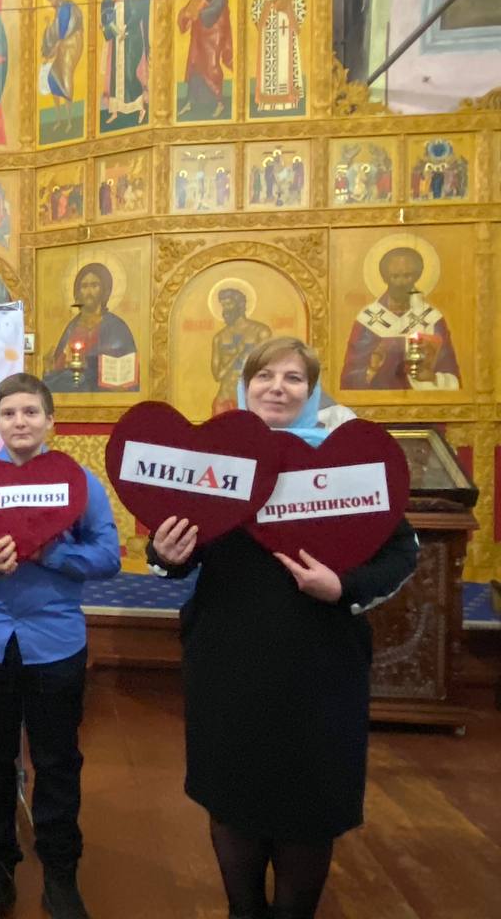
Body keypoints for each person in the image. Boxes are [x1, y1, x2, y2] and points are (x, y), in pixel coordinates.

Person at [148, 338, 419, 919]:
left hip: (320, 666)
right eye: (264, 375)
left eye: (294, 378)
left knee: (308, 808)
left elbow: (402, 553)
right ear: (245, 387)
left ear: (312, 392)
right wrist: (166, 554)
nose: (277, 387)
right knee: (232, 800)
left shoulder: (347, 467)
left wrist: (342, 586)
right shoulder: (217, 462)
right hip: (228, 663)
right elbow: (179, 552)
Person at [0, 373, 120, 919]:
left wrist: (51, 555)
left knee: (57, 760)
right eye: (9, 412)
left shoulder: (78, 483)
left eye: (31, 412)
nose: (21, 421)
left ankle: (61, 874)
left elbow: (108, 555)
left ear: (50, 420)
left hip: (56, 642)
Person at [339, 245, 460, 390]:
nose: (401, 283)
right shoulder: (368, 318)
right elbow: (351, 378)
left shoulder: (431, 318)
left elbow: (451, 374)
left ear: (417, 276)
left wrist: (433, 378)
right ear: (385, 277)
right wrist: (372, 368)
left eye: (407, 276)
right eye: (395, 276)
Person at [44, 262, 138, 393]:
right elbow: (58, 369)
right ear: (77, 292)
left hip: (107, 393)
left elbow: (127, 367)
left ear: (104, 291)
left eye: (94, 285)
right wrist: (50, 368)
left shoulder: (116, 326)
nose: (89, 292)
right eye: (84, 286)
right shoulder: (72, 328)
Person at [177, 0, 232, 120]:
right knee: (194, 62)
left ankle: (219, 102)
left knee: (211, 63)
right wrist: (185, 14)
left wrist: (201, 13)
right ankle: (191, 101)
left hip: (214, 28)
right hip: (199, 30)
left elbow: (219, 4)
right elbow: (194, 2)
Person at [251, 0, 306, 114]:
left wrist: (285, 4)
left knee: (286, 62)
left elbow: (300, 2)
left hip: (286, 26)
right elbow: (256, 6)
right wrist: (267, 6)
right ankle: (268, 103)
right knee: (269, 65)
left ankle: (288, 102)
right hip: (269, 30)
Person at [210, 286, 271, 414]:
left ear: (240, 304)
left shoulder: (260, 332)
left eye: (229, 304)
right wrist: (237, 354)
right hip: (224, 398)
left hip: (250, 400)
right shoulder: (220, 337)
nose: (225, 309)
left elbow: (267, 368)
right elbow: (216, 375)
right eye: (223, 305)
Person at [41, 0, 84, 136]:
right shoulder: (59, 10)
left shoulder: (67, 7)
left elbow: (68, 28)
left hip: (71, 44)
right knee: (52, 77)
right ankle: (59, 119)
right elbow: (56, 29)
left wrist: (59, 42)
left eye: (51, 0)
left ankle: (70, 120)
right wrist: (49, 28)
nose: (51, 3)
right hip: (62, 45)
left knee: (66, 78)